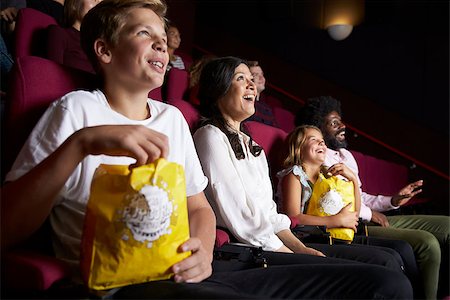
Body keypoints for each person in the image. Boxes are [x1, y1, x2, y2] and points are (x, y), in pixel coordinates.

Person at [0, 1, 412, 298]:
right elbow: (8, 226)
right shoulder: (75, 111)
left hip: (197, 270)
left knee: (385, 282)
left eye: (164, 39)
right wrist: (81, 145)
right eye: (145, 34)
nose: (162, 46)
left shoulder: (170, 118)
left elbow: (198, 207)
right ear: (104, 51)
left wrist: (201, 249)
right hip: (122, 282)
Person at [192, 56, 414, 298]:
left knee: (389, 272)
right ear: (218, 89)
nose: (252, 85)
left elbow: (270, 214)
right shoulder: (210, 136)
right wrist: (289, 253)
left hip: (271, 243)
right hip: (248, 251)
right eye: (240, 78)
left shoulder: (251, 144)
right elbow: (242, 219)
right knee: (387, 282)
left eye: (251, 79)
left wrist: (299, 248)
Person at [295, 95, 450, 299]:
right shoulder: (318, 158)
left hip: (366, 215)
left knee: (447, 226)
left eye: (341, 120)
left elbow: (359, 194)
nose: (342, 126)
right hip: (352, 222)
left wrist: (392, 200)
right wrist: (370, 213)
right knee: (426, 242)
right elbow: (335, 201)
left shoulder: (346, 156)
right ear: (317, 127)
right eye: (334, 123)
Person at [277, 124, 422, 297]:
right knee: (388, 260)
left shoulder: (327, 176)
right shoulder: (294, 176)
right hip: (309, 238)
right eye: (313, 140)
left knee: (400, 250)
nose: (322, 144)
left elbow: (355, 209)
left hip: (336, 233)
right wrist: (336, 221)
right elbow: (292, 218)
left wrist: (353, 179)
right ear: (299, 147)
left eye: (322, 141)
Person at [45, 0, 99, 73]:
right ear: (74, 5)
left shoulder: (98, 44)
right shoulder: (60, 33)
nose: (99, 3)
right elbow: (52, 75)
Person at [245, 60, 279, 127]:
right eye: (256, 75)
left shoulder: (267, 108)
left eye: (262, 74)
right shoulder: (244, 104)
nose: (261, 78)